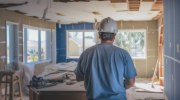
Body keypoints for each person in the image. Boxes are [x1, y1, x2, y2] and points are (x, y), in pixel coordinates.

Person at [74, 17, 137, 100]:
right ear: (114, 36)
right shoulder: (124, 54)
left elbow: (79, 78)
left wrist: (93, 77)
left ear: (99, 34)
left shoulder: (86, 53)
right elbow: (130, 82)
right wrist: (117, 85)